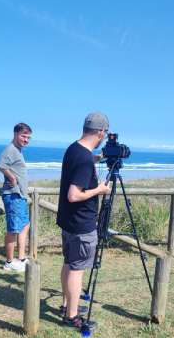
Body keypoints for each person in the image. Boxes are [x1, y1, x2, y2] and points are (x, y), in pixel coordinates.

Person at [56, 112, 111, 329]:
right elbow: (74, 194)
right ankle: (72, 316)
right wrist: (100, 189)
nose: (105, 137)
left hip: (69, 221)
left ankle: (66, 304)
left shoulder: (73, 149)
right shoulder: (85, 159)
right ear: (100, 132)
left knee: (69, 263)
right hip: (81, 223)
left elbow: (79, 166)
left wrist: (94, 159)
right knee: (77, 269)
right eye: (105, 133)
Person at [0, 123, 32, 272]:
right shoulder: (10, 149)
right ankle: (9, 262)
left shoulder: (18, 150)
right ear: (16, 134)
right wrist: (12, 179)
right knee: (13, 229)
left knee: (25, 225)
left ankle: (21, 258)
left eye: (28, 137)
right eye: (23, 136)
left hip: (20, 195)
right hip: (13, 195)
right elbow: (0, 165)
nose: (26, 140)